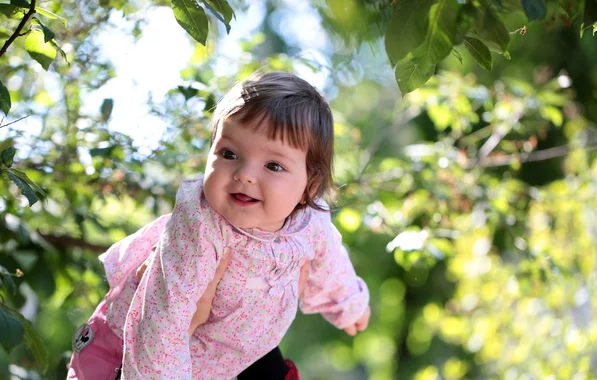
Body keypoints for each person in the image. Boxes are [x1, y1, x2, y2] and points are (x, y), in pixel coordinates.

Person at [68, 71, 371, 379]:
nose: (244, 174)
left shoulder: (310, 221)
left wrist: (349, 304)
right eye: (229, 154)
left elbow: (330, 261)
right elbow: (162, 323)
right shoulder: (201, 227)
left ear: (310, 185)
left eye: (273, 165)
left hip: (233, 353)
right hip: (130, 358)